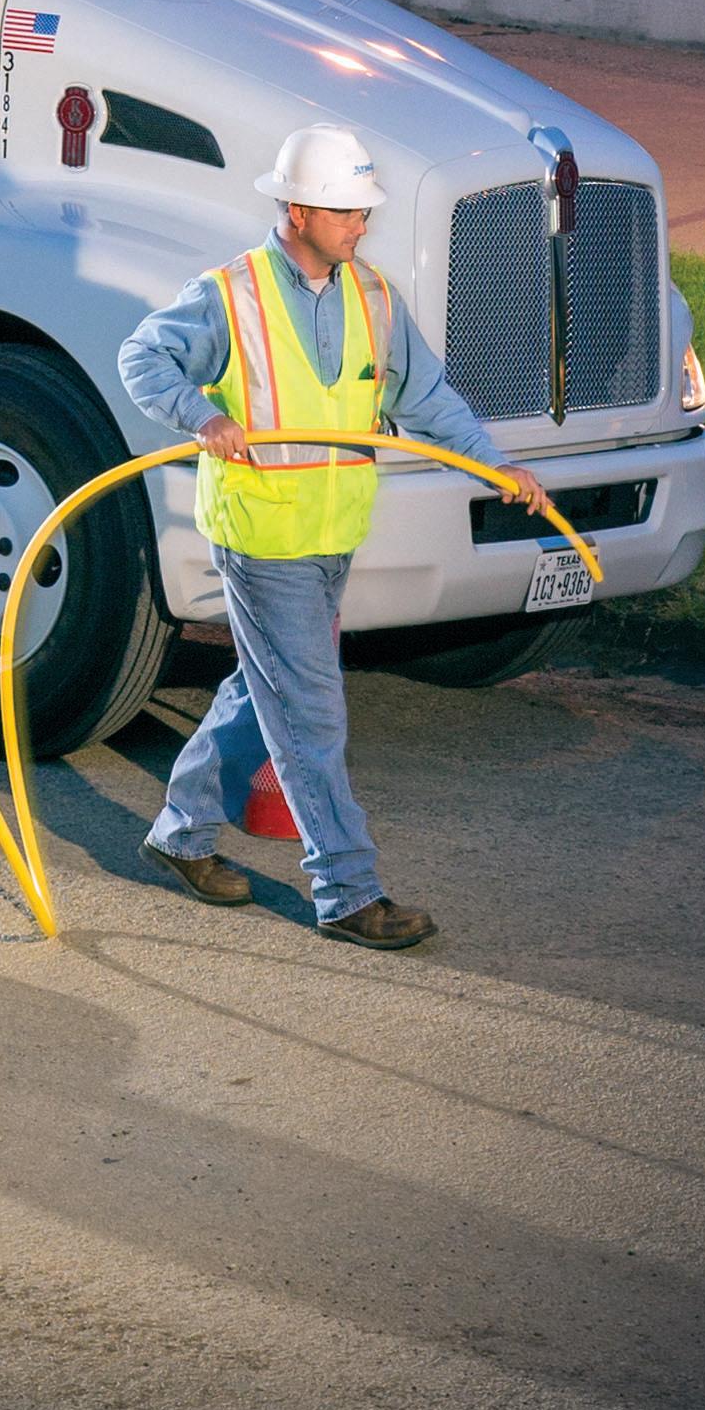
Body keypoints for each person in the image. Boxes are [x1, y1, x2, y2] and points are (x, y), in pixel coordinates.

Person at [116, 118, 489, 951]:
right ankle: (347, 889)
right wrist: (201, 414)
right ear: (296, 212)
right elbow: (141, 358)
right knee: (312, 711)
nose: (364, 222)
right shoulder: (232, 293)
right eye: (347, 209)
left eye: (363, 210)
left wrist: (500, 468)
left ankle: (180, 832)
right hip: (262, 536)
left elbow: (427, 399)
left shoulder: (373, 296)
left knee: (267, 687)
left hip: (331, 536)